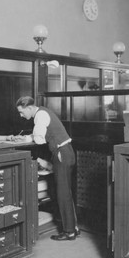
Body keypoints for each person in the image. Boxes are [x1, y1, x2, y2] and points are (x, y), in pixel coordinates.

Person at [15, 96, 80, 241]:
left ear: (30, 108)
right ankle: (73, 227)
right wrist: (25, 138)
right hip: (66, 151)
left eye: (21, 112)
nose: (21, 115)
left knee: (62, 193)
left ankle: (69, 231)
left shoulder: (40, 116)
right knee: (66, 192)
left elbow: (39, 139)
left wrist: (31, 136)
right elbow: (41, 135)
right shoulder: (43, 112)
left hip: (61, 153)